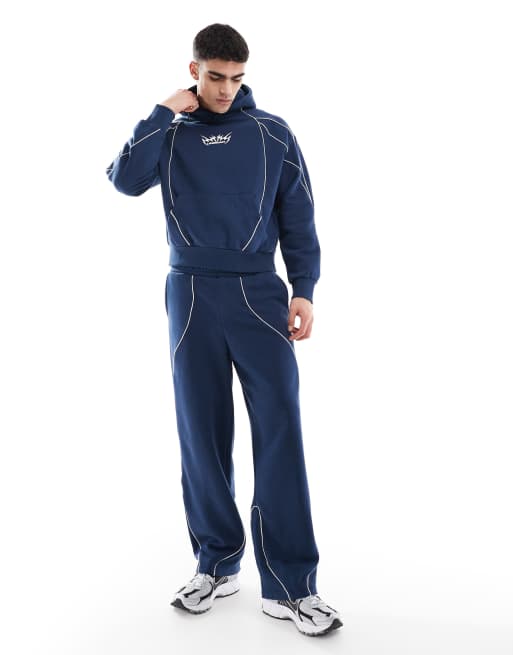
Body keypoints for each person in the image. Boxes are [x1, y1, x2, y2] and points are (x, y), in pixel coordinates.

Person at [105, 22, 342, 637]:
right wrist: (162, 111)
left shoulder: (271, 132)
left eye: (236, 78)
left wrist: (304, 288)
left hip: (259, 294)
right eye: (214, 77)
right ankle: (216, 563)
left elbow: (300, 215)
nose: (225, 89)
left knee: (280, 429)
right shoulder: (170, 132)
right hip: (190, 292)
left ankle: (292, 586)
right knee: (201, 433)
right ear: (194, 71)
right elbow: (124, 179)